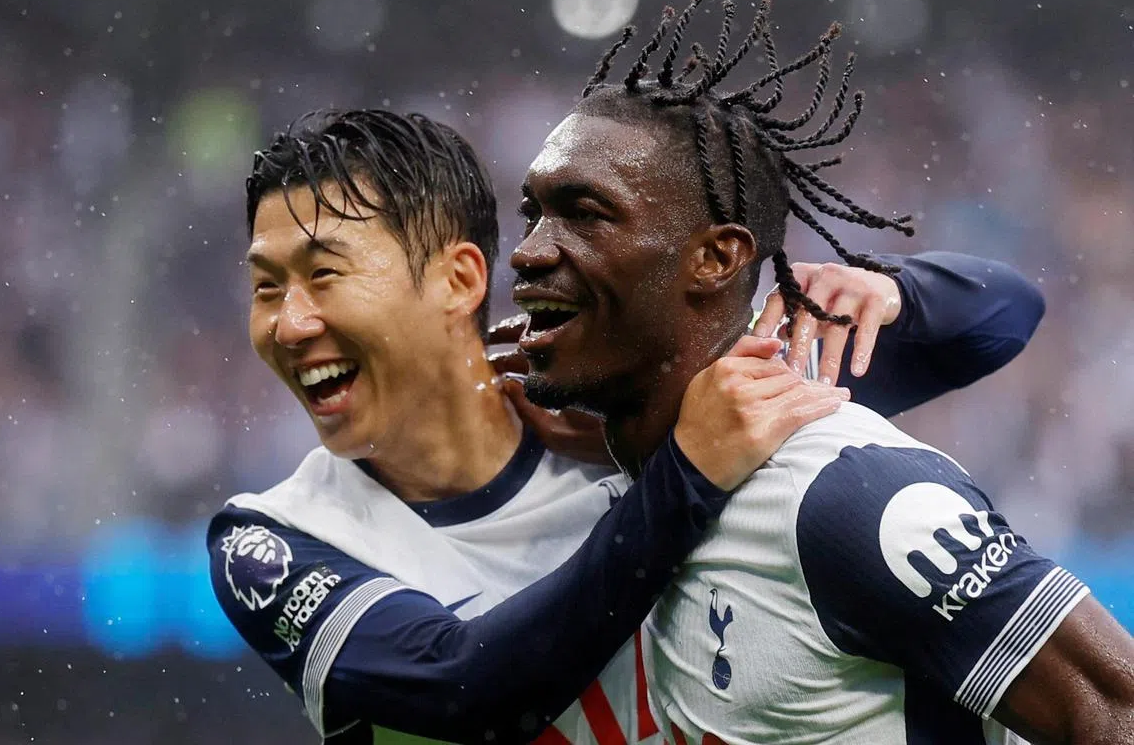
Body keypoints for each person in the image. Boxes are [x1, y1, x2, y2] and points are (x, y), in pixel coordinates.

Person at [209, 101, 1044, 745]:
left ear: (460, 278)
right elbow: (463, 690)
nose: (288, 324)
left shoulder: (622, 408)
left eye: (325, 275)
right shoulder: (272, 540)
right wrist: (682, 477)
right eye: (267, 287)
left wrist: (891, 290)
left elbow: (1003, 314)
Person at [510, 0, 1134, 745]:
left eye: (585, 213)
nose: (531, 249)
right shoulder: (632, 492)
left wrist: (900, 288)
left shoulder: (846, 494)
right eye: (533, 212)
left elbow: (1116, 710)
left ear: (715, 259)